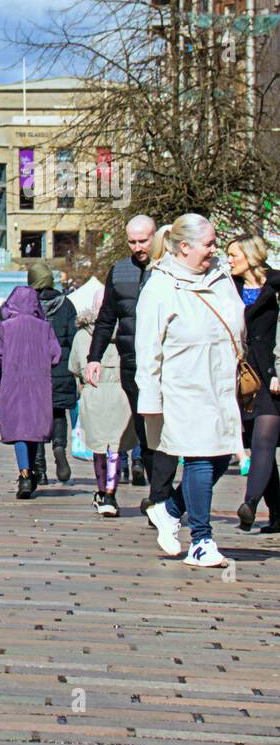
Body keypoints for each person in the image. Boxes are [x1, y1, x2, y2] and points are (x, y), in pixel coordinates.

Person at [140, 214, 243, 567]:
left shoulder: (222, 279)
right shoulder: (160, 286)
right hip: (183, 385)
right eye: (209, 244)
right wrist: (150, 401)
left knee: (220, 457)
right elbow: (148, 349)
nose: (216, 251)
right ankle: (202, 539)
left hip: (221, 384)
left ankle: (168, 510)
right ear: (184, 247)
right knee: (199, 457)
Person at [86, 215, 157, 490]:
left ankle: (165, 491)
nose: (138, 247)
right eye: (133, 241)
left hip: (165, 364)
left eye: (144, 241)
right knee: (143, 429)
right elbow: (106, 319)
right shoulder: (119, 271)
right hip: (132, 364)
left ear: (155, 237)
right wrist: (94, 358)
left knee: (166, 431)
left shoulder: (169, 269)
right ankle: (158, 496)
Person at [226, 235, 280, 533]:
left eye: (234, 254)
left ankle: (250, 503)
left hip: (272, 377)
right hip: (242, 378)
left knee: (263, 441)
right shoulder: (229, 287)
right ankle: (277, 513)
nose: (229, 260)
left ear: (250, 255)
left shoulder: (276, 285)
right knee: (259, 445)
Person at [0, 286, 60, 500]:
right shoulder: (45, 327)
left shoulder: (4, 328)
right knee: (34, 426)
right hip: (39, 382)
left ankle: (25, 473)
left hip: (13, 381)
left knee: (19, 428)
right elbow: (56, 355)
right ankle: (31, 472)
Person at [70, 287, 136, 517]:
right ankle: (111, 490)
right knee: (115, 449)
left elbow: (75, 367)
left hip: (94, 393)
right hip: (121, 393)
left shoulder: (82, 336)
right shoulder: (129, 332)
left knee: (99, 448)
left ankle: (102, 492)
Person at [29, 262, 78, 485]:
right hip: (61, 366)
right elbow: (73, 337)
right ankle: (59, 447)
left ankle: (39, 468)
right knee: (59, 413)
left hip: (35, 367)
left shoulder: (29, 305)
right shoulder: (66, 305)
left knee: (37, 417)